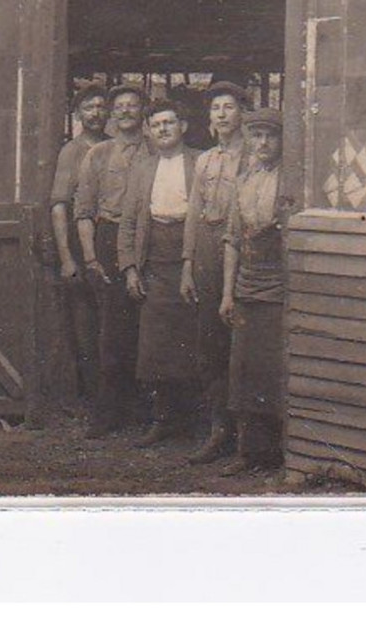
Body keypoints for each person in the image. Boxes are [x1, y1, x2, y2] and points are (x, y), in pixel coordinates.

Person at [118, 98, 199, 447]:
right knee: (156, 346)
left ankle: (195, 421)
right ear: (149, 131)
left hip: (191, 258)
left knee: (194, 342)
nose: (163, 129)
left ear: (183, 126)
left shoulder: (200, 162)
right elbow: (130, 221)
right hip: (154, 262)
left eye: (169, 122)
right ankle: (164, 419)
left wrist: (192, 262)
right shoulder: (143, 167)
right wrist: (130, 268)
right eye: (156, 124)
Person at [73, 84, 150, 438]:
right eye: (119, 106)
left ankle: (145, 413)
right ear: (112, 114)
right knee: (111, 332)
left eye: (133, 105)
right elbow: (84, 211)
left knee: (146, 328)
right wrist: (90, 257)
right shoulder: (99, 155)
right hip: (108, 238)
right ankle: (106, 414)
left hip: (148, 241)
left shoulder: (155, 150)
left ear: (142, 112)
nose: (125, 111)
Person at [219, 106, 293, 475]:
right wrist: (227, 293)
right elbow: (232, 238)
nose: (263, 143)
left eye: (271, 136)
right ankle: (249, 452)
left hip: (277, 286)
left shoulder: (289, 181)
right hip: (246, 285)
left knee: (273, 369)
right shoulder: (243, 179)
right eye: (257, 136)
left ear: (281, 141)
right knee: (244, 370)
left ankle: (279, 455)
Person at [179, 81, 250, 464]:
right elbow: (193, 212)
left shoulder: (253, 156)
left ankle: (246, 435)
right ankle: (217, 429)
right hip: (207, 249)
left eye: (228, 107)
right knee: (210, 344)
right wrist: (188, 264)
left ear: (242, 113)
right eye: (215, 109)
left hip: (242, 249)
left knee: (242, 343)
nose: (221, 114)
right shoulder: (205, 161)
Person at [47, 83, 108, 404]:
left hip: (107, 240)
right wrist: (66, 258)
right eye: (89, 107)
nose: (96, 113)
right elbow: (59, 205)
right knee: (85, 326)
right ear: (78, 114)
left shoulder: (113, 146)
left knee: (109, 323)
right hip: (78, 240)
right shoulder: (72, 150)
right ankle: (90, 398)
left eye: (100, 106)